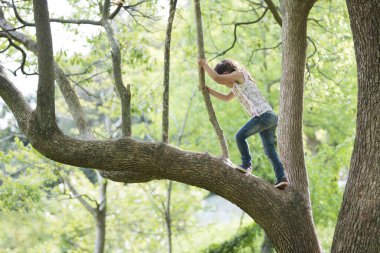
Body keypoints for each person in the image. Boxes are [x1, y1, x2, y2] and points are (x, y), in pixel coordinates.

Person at [197, 58, 289, 190]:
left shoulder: (239, 75)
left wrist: (204, 65)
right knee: (270, 151)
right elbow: (226, 98)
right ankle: (282, 178)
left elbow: (217, 78)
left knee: (240, 136)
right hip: (270, 117)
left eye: (225, 78)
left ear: (228, 72)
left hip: (263, 115)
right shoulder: (236, 86)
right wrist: (209, 91)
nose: (224, 83)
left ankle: (246, 164)